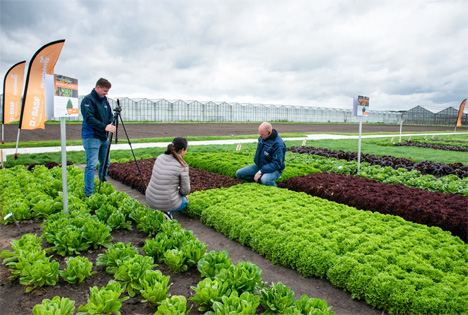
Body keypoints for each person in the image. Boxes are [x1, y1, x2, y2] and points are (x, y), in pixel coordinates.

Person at [81, 78, 116, 197]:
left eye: (107, 91)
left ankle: (103, 184)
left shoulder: (104, 101)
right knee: (91, 165)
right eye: (105, 91)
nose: (106, 93)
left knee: (105, 162)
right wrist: (104, 126)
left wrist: (111, 123)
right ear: (98, 87)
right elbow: (89, 119)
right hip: (91, 137)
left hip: (103, 137)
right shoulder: (88, 100)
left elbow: (110, 115)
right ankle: (89, 193)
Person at [146, 137, 190, 221]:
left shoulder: (160, 157)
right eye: (186, 150)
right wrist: (180, 193)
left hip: (150, 199)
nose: (186, 152)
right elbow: (185, 191)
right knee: (184, 201)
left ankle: (161, 211)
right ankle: (167, 213)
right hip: (165, 202)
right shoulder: (182, 165)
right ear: (182, 150)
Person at [235, 122, 286, 187]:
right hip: (260, 166)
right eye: (260, 133)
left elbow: (276, 164)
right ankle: (261, 184)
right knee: (239, 174)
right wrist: (260, 170)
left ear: (269, 132)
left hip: (275, 169)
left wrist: (260, 172)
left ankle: (276, 191)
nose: (260, 136)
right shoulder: (263, 137)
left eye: (262, 134)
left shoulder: (278, 144)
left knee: (265, 180)